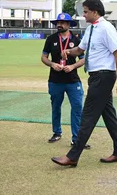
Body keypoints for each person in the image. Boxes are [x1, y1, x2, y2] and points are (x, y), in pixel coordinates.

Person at [51, 0, 117, 167]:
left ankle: (73, 156)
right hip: (96, 77)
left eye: (85, 11)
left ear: (94, 11)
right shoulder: (91, 29)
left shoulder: (106, 28)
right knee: (109, 116)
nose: (83, 15)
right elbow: (80, 50)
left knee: (87, 116)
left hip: (103, 76)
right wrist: (69, 52)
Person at [41, 12, 90, 149]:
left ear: (68, 25)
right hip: (55, 80)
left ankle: (77, 138)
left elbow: (83, 59)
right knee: (56, 107)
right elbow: (44, 57)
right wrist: (52, 64)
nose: (59, 25)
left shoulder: (76, 40)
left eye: (62, 23)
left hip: (73, 80)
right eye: (58, 22)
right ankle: (57, 132)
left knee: (77, 108)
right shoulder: (51, 39)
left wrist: (72, 66)